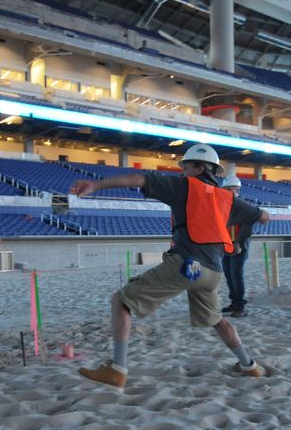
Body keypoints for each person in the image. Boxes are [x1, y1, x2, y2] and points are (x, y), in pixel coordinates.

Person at [71, 144, 271, 388]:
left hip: (188, 265)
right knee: (218, 320)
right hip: (214, 271)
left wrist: (96, 185)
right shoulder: (227, 198)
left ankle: (117, 370)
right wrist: (236, 231)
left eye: (185, 166)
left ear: (199, 168)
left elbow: (137, 178)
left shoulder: (184, 186)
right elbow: (263, 217)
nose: (181, 171)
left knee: (121, 301)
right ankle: (250, 366)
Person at [219, 175, 253, 318]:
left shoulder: (242, 205)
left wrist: (238, 242)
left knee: (236, 275)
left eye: (229, 189)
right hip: (226, 245)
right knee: (228, 274)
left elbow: (247, 227)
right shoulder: (222, 206)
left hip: (239, 244)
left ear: (236, 189)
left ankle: (240, 306)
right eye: (225, 189)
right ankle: (234, 302)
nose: (226, 191)